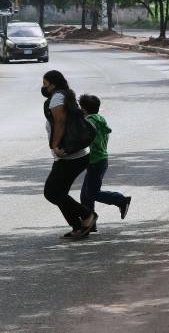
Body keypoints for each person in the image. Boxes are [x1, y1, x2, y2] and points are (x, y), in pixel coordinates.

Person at [41, 70, 98, 240]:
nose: (43, 88)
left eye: (45, 84)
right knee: (59, 193)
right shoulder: (65, 95)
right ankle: (79, 227)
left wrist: (56, 144)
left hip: (70, 156)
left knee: (51, 192)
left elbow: (60, 122)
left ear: (53, 84)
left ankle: (87, 216)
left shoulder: (58, 97)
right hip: (74, 155)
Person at [78, 94, 131, 232]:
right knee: (85, 195)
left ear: (84, 109)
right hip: (100, 160)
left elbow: (84, 138)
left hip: (95, 161)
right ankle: (89, 224)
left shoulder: (89, 122)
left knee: (92, 193)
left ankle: (120, 200)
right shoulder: (100, 118)